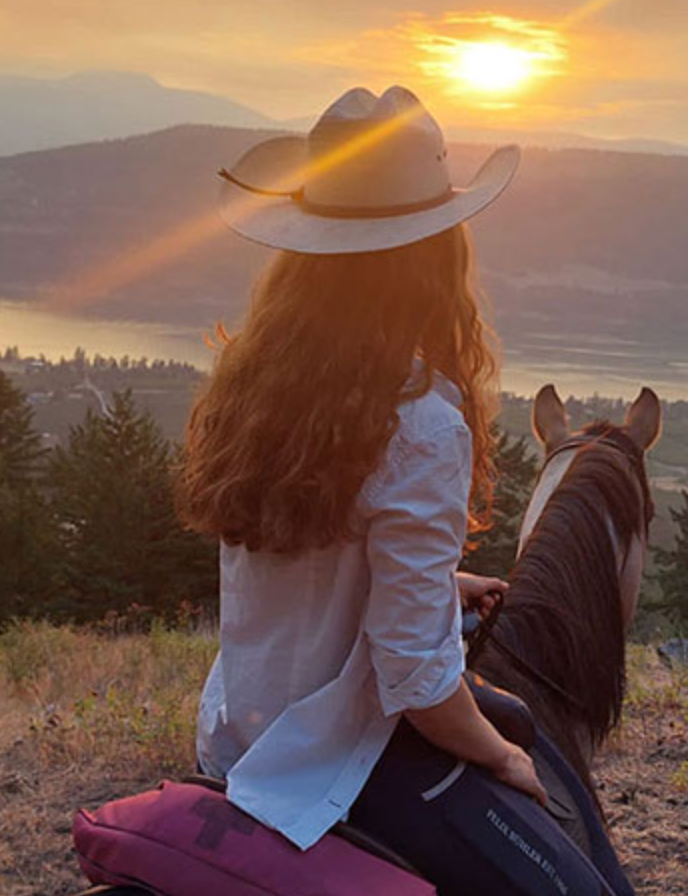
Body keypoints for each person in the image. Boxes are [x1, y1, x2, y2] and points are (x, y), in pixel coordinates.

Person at [177, 85, 547, 893]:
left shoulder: (265, 386)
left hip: (238, 734)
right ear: (435, 257)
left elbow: (305, 567)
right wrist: (503, 756)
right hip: (328, 762)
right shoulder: (419, 423)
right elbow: (417, 682)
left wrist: (437, 586)